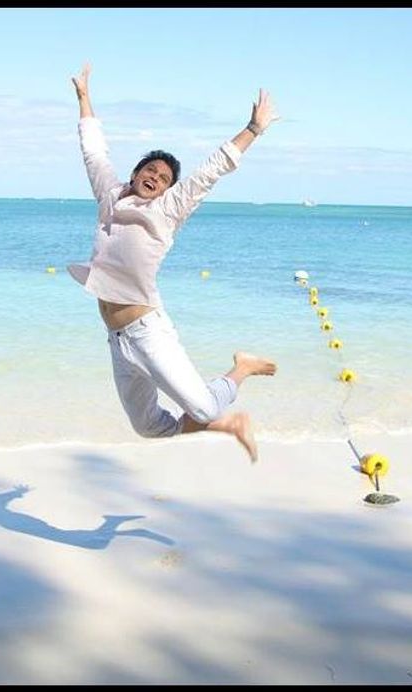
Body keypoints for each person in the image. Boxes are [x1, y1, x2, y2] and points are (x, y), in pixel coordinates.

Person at [67, 63, 279, 463]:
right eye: (150, 170)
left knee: (204, 408)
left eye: (164, 178)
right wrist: (83, 96)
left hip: (148, 333)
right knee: (148, 426)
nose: (156, 177)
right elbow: (93, 151)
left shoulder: (167, 210)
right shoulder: (110, 197)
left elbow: (211, 171)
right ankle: (230, 425)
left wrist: (253, 129)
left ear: (168, 190)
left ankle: (241, 370)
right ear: (135, 173)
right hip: (116, 339)